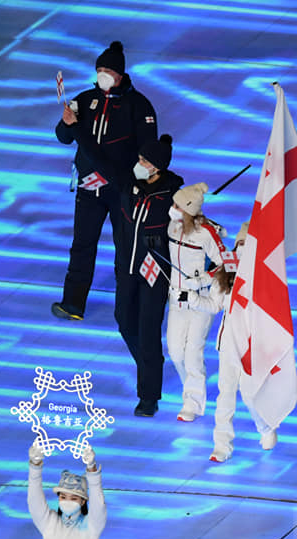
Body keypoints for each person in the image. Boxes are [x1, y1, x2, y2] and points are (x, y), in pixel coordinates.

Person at [52, 41, 158, 321]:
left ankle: (129, 306)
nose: (103, 76)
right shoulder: (85, 100)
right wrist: (66, 122)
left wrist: (133, 183)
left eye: (108, 72)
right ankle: (73, 303)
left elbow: (149, 152)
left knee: (126, 250)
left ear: (120, 75)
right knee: (82, 245)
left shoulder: (139, 106)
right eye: (100, 71)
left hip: (121, 191)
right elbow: (63, 137)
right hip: (89, 189)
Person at [113, 134, 183, 418]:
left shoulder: (172, 196)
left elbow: (188, 227)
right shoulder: (129, 184)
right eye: (139, 158)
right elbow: (100, 159)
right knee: (124, 321)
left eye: (144, 160)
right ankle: (148, 365)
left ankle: (148, 396)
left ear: (157, 166)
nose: (138, 164)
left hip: (155, 275)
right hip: (126, 270)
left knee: (149, 332)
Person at [208, 223, 281, 461]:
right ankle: (222, 445)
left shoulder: (265, 276)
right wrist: (191, 296)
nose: (240, 248)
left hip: (252, 347)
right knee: (225, 395)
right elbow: (214, 304)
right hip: (228, 346)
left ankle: (265, 427)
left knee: (250, 394)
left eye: (246, 245)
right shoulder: (225, 274)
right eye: (239, 243)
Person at [165, 182, 228, 422]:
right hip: (176, 298)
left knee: (192, 353)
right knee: (175, 352)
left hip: (199, 300)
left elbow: (225, 262)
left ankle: (192, 402)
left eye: (178, 206)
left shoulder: (206, 233)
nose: (173, 209)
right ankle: (189, 391)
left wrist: (202, 279)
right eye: (174, 204)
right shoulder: (172, 226)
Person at [27, 441, 105, 539]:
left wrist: (92, 469)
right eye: (63, 497)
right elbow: (34, 502)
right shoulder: (50, 523)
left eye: (74, 498)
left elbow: (98, 505)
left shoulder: (90, 526)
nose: (67, 501)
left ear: (83, 501)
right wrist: (35, 466)